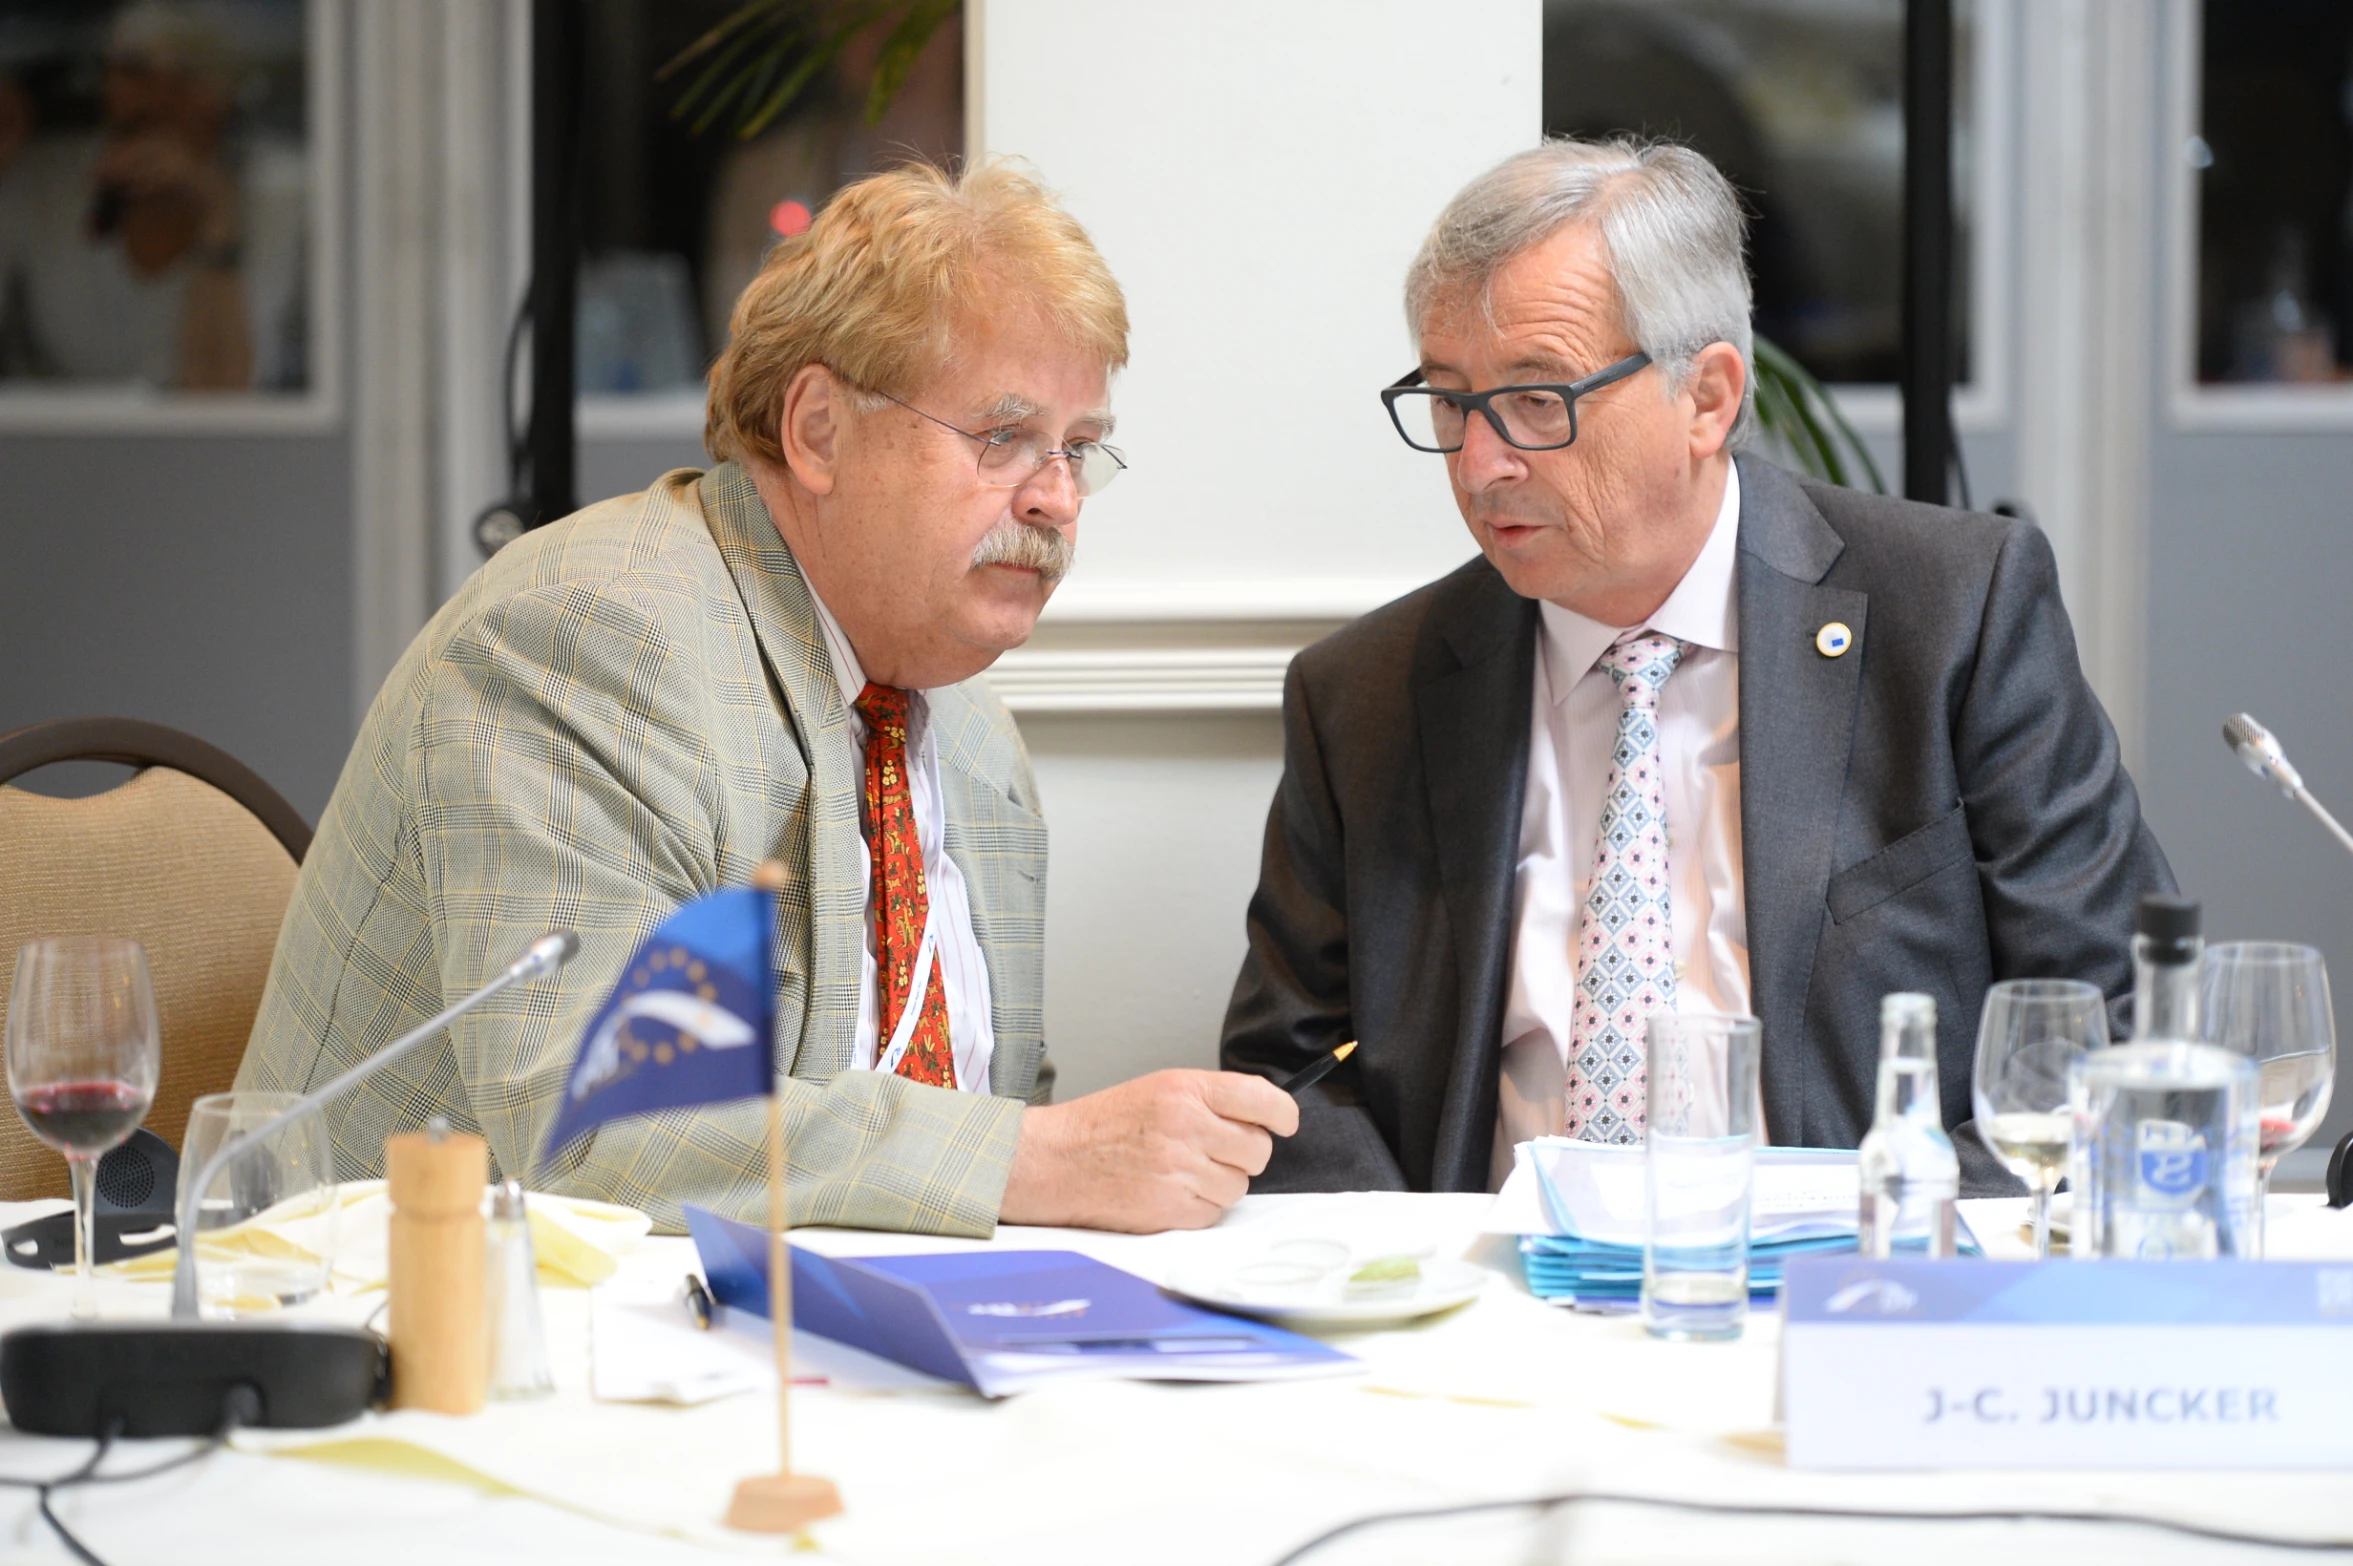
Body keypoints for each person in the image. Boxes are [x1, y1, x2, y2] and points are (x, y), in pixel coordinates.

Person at [240, 160, 1296, 1235]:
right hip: (418, 1343)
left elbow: (973, 1119)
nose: (1057, 498)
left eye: (1077, 449)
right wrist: (1038, 1161)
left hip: (807, 1350)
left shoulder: (971, 732)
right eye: (1001, 438)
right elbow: (600, 1129)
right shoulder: (588, 637)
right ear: (819, 431)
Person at [1220, 138, 2173, 1196]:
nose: (1481, 462)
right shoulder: (1366, 695)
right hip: (1491, 1306)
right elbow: (1283, 1079)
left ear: (1707, 397)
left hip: (1848, 1282)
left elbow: (2112, 1026)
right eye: (1450, 402)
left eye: (1538, 400)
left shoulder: (1951, 615)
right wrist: (1437, 1271)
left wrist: (1879, 1243)